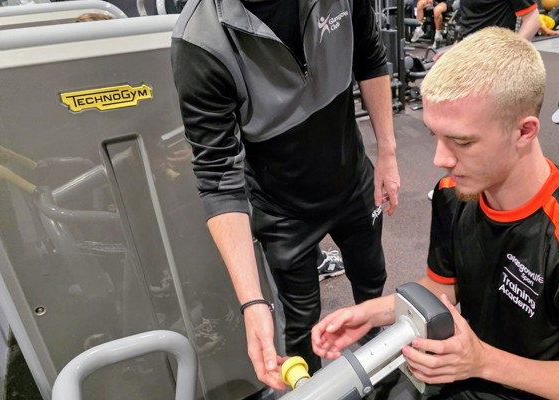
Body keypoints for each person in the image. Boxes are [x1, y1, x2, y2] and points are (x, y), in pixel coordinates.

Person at [313, 27, 559, 399]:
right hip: (465, 371)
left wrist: (482, 361)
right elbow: (443, 285)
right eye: (435, 135)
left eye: (462, 141)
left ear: (524, 131)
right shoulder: (453, 194)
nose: (440, 159)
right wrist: (370, 313)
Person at [170, 0, 400, 390]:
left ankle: (381, 362)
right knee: (301, 323)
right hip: (282, 208)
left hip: (351, 179)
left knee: (371, 277)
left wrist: (388, 154)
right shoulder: (200, 41)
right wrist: (252, 303)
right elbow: (217, 177)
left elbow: (370, 57)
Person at [456, 0, 541, 41]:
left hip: (495, 53)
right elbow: (468, 24)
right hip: (466, 50)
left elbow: (533, 19)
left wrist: (513, 52)